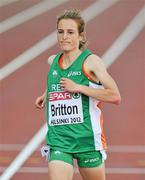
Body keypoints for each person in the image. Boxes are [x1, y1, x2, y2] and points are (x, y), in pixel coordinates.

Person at [35, 9, 121, 180]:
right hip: (59, 139)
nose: (64, 37)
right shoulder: (53, 61)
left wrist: (79, 88)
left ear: (81, 36)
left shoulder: (91, 62)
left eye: (70, 32)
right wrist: (47, 93)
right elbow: (57, 80)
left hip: (87, 140)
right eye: (60, 32)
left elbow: (115, 96)